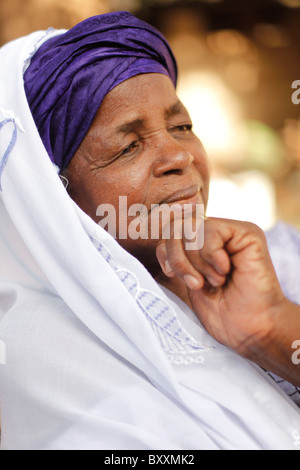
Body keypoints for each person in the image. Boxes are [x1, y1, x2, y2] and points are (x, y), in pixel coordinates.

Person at [0, 11, 299, 451]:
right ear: (53, 200)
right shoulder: (57, 370)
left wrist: (270, 327)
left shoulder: (277, 260)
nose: (179, 156)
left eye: (181, 127)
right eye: (128, 146)